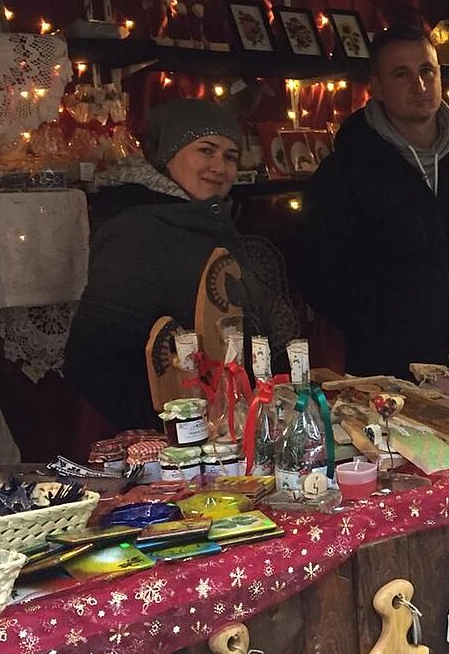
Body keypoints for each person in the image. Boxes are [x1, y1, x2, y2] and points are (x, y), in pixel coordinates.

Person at [65, 99, 299, 430]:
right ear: (167, 157)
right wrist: (168, 426)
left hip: (233, 427)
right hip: (179, 443)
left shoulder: (214, 222)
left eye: (230, 156)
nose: (220, 167)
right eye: (207, 150)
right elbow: (94, 360)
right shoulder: (136, 233)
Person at [299, 25, 449, 377]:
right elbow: (318, 271)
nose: (420, 86)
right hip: (390, 369)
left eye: (427, 71)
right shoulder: (347, 170)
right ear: (376, 87)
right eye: (402, 74)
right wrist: (374, 328)